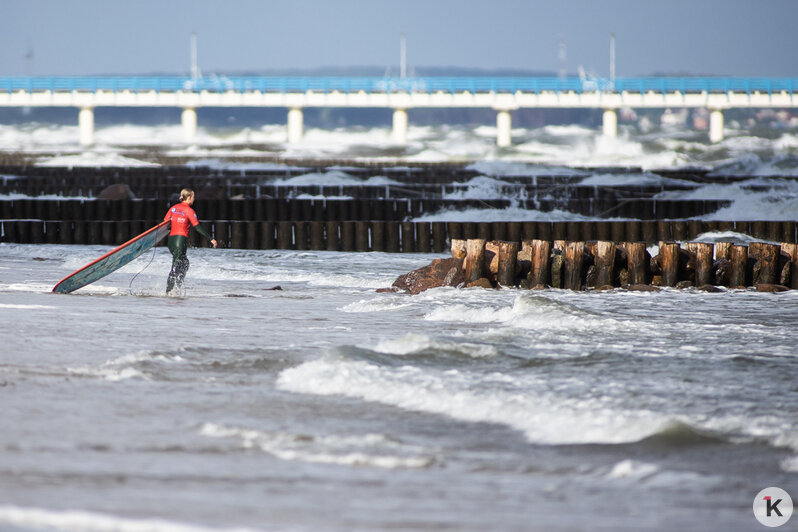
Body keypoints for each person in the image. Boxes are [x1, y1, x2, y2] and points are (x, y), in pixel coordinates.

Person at [163, 188, 217, 293]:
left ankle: (176, 288)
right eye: (193, 197)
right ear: (189, 197)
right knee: (175, 267)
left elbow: (165, 223)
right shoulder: (189, 211)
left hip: (171, 241)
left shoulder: (173, 208)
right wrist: (211, 238)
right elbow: (197, 227)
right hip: (180, 241)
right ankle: (168, 293)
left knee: (185, 264)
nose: (194, 199)